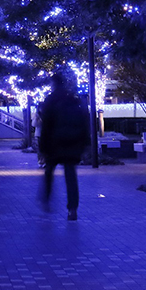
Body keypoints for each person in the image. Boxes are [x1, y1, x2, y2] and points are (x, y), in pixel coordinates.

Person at [39, 73, 89, 221]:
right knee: (70, 176)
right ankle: (72, 209)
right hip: (72, 143)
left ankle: (46, 200)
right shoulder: (72, 98)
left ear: (53, 84)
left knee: (49, 172)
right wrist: (85, 143)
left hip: (54, 144)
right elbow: (83, 120)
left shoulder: (51, 100)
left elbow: (46, 125)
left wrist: (42, 147)